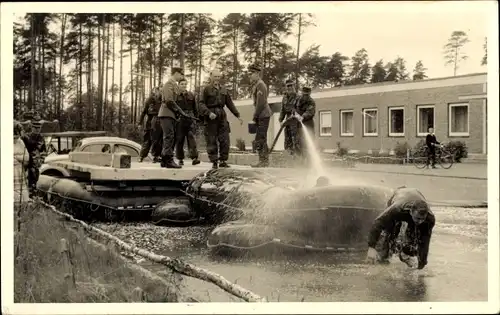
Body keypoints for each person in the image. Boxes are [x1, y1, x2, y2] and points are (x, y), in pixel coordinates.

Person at [365, 187, 436, 270]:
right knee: (390, 232)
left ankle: (404, 254)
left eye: (422, 219)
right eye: (418, 219)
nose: (420, 222)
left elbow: (424, 241)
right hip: (399, 196)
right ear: (411, 211)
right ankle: (384, 258)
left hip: (416, 195)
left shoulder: (429, 219)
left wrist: (422, 263)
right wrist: (371, 247)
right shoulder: (397, 209)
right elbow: (378, 223)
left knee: (414, 239)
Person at [198, 69, 242, 169]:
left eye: (218, 77)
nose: (217, 79)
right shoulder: (206, 89)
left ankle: (223, 160)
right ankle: (214, 161)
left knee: (225, 139)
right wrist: (208, 113)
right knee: (211, 139)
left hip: (222, 116)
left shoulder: (224, 89)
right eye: (215, 77)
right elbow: (201, 103)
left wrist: (238, 115)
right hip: (211, 117)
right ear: (211, 77)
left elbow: (230, 103)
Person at [159, 66, 189, 168]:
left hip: (171, 115)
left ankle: (164, 160)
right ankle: (168, 160)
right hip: (166, 113)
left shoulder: (174, 86)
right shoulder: (168, 84)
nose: (181, 76)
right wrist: (180, 111)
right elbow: (169, 101)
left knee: (170, 136)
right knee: (169, 137)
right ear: (176, 73)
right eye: (181, 74)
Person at [249, 64, 272, 168]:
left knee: (260, 138)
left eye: (252, 74)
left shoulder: (260, 85)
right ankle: (263, 161)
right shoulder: (257, 85)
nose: (250, 76)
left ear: (257, 74)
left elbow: (260, 103)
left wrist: (255, 116)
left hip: (263, 115)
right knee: (261, 137)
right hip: (261, 115)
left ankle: (263, 161)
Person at [175, 78, 201, 166]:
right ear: (178, 85)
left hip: (190, 118)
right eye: (182, 84)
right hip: (180, 119)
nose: (183, 85)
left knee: (191, 138)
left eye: (185, 84)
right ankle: (180, 158)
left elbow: (195, 108)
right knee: (180, 139)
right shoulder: (176, 95)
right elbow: (173, 108)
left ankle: (194, 158)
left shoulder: (191, 95)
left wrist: (197, 119)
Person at [22, 113, 47, 198]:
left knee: (34, 181)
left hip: (35, 163)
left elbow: (42, 150)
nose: (37, 130)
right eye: (35, 128)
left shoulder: (41, 138)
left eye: (39, 128)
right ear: (32, 127)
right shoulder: (27, 136)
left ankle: (33, 196)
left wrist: (41, 161)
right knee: (24, 180)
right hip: (25, 162)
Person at [138, 87, 163, 162]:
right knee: (147, 139)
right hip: (149, 121)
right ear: (155, 91)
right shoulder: (149, 100)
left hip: (158, 121)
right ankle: (141, 156)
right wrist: (140, 123)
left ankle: (155, 156)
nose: (159, 93)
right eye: (159, 91)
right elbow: (143, 112)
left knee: (157, 140)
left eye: (162, 91)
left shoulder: (162, 100)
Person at [279, 79, 300, 156]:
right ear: (286, 87)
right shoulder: (284, 98)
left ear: (294, 86)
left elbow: (298, 110)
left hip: (296, 121)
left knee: (296, 140)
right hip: (287, 121)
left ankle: (299, 158)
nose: (289, 87)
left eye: (291, 85)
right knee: (287, 140)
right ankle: (289, 157)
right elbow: (282, 110)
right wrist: (280, 120)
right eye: (288, 86)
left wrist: (293, 115)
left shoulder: (298, 97)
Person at [295, 86, 316, 162]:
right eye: (304, 94)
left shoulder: (311, 102)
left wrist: (302, 116)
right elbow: (293, 108)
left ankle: (310, 162)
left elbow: (310, 112)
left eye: (306, 95)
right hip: (299, 124)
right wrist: (295, 114)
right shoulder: (298, 100)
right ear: (302, 93)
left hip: (308, 124)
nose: (305, 96)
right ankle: (301, 161)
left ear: (309, 94)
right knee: (299, 142)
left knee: (309, 143)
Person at [14, 121, 30, 203]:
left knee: (22, 193)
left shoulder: (20, 142)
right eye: (13, 137)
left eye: (16, 137)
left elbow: (27, 157)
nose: (15, 139)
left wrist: (17, 157)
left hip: (19, 170)